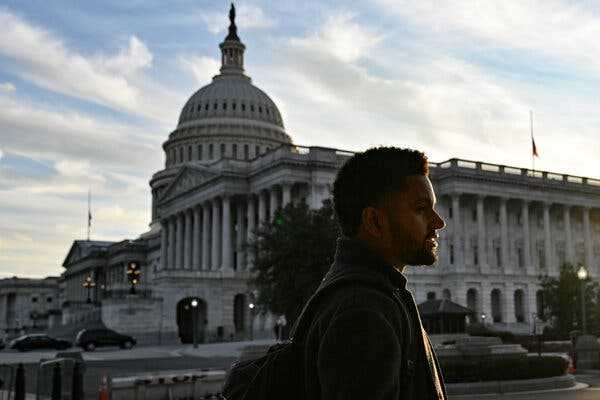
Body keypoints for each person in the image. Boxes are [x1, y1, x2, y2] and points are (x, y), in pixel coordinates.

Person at [302, 146, 447, 399]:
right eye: (422, 209)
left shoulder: (374, 295)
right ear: (374, 221)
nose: (438, 222)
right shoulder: (362, 312)